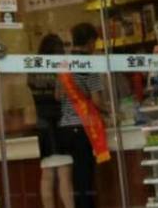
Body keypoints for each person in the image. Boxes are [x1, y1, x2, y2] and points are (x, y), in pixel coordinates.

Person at [56, 22, 108, 208]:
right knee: (85, 177)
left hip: (66, 128)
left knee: (76, 178)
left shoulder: (64, 65)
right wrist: (109, 111)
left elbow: (57, 95)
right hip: (83, 127)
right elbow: (97, 101)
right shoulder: (88, 65)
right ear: (90, 41)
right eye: (95, 42)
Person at [28, 34, 73, 208]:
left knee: (47, 174)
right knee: (64, 173)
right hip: (59, 124)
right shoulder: (57, 70)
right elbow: (59, 96)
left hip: (42, 125)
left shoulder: (33, 71)